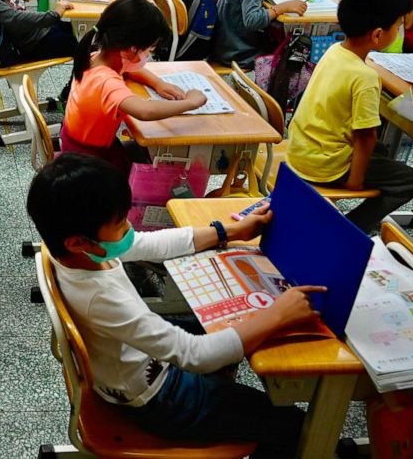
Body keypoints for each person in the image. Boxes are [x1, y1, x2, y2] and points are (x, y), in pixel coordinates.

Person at [26, 154, 319, 459]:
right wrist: (278, 314)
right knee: (294, 426)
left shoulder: (78, 252)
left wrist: (229, 231)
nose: (129, 228)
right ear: (79, 242)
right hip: (159, 398)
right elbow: (195, 355)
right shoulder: (99, 297)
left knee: (230, 321)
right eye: (121, 223)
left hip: (132, 365)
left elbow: (150, 243)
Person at [286, 0, 413, 234]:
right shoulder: (366, 77)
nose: (400, 33)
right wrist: (355, 182)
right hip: (325, 166)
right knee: (409, 180)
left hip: (301, 152)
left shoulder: (335, 51)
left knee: (381, 150)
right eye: (398, 27)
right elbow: (365, 137)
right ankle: (349, 229)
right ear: (378, 35)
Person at [61, 0, 206, 175]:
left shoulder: (96, 57)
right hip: (87, 163)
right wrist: (192, 102)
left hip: (77, 144)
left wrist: (158, 83)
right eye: (150, 49)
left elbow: (129, 69)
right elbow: (145, 111)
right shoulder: (106, 81)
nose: (149, 54)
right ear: (130, 49)